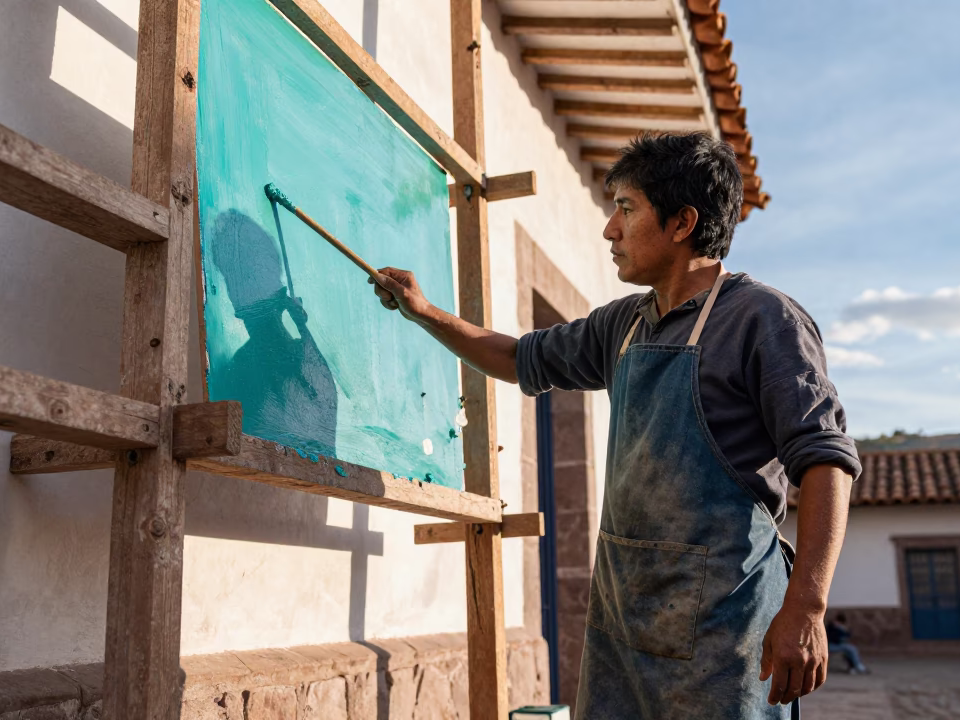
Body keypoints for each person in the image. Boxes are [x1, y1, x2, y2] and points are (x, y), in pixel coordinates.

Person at [368, 132, 860, 719]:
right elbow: (518, 357)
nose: (610, 228)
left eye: (626, 208)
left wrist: (806, 606)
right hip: (621, 630)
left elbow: (826, 459)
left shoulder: (763, 319)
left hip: (725, 638)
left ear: (682, 223)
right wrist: (423, 312)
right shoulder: (622, 325)